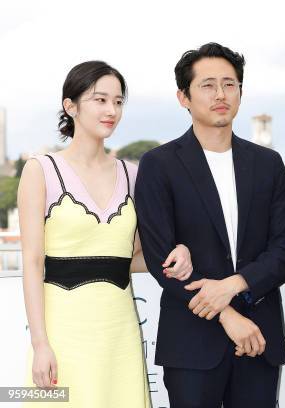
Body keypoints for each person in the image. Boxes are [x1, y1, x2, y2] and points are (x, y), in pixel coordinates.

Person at [19, 60, 194, 407]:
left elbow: (139, 256)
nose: (111, 110)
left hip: (119, 332)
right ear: (70, 106)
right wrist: (41, 344)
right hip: (63, 332)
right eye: (100, 100)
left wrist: (181, 252)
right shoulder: (41, 170)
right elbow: (32, 263)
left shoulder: (134, 174)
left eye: (118, 101)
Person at [134, 43, 285, 408]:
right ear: (184, 97)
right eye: (207, 85)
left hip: (258, 338)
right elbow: (162, 258)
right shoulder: (159, 165)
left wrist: (234, 286)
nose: (220, 94)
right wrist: (225, 313)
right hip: (192, 342)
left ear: (240, 92)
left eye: (230, 84)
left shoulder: (269, 164)